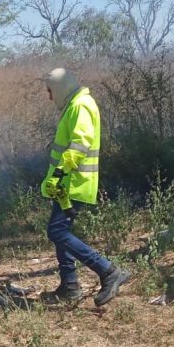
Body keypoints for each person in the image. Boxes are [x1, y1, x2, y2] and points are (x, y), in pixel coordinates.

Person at [40, 68, 130, 307]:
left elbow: (79, 146)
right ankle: (69, 286)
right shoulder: (74, 105)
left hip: (74, 182)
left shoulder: (81, 105)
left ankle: (108, 271)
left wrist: (59, 173)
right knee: (61, 232)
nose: (50, 98)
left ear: (59, 88)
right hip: (66, 184)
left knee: (57, 232)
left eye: (50, 92)